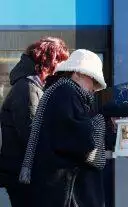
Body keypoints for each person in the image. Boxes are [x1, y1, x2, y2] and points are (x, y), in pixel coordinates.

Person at [18, 49, 107, 207]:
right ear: (77, 73)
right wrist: (101, 120)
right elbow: (81, 142)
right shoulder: (66, 93)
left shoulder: (60, 90)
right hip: (66, 191)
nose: (94, 87)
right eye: (92, 79)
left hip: (59, 188)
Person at [0, 37, 69, 207]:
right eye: (60, 62)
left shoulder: (31, 85)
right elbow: (32, 134)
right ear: (50, 61)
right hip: (26, 177)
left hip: (25, 174)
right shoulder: (27, 87)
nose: (62, 68)